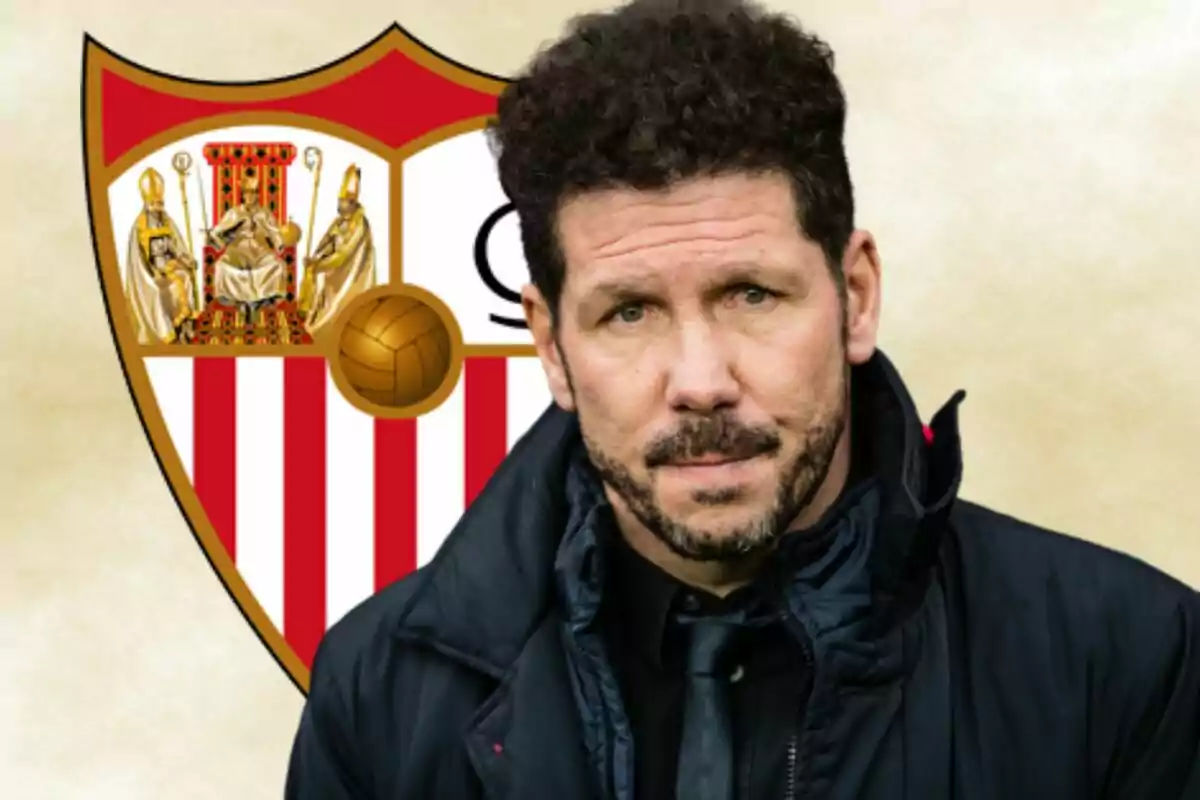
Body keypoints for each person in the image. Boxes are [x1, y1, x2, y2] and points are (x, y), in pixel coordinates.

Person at [284, 1, 1200, 798]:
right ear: (551, 347)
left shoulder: (1126, 661)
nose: (701, 381)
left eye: (750, 296)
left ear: (858, 295)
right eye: (630, 313)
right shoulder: (382, 689)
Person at [124, 167, 199, 344]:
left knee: (185, 278)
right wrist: (152, 275)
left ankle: (183, 324)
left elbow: (178, 246)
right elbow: (138, 262)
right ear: (147, 204)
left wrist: (188, 260)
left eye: (160, 203)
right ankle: (166, 332)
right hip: (152, 272)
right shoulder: (139, 227)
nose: (158, 208)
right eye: (155, 204)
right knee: (158, 292)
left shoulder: (167, 220)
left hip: (171, 266)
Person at [301, 163, 376, 333]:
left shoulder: (359, 225)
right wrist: (314, 258)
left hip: (348, 272)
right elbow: (327, 243)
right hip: (334, 266)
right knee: (313, 273)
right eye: (339, 200)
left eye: (342, 201)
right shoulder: (340, 221)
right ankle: (312, 315)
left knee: (320, 278)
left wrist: (319, 265)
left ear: (351, 202)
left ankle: (327, 325)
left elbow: (343, 255)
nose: (339, 204)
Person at [207, 169, 289, 319]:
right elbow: (218, 231)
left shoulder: (265, 213)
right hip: (237, 249)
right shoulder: (234, 213)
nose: (251, 196)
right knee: (221, 266)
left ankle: (258, 300)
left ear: (258, 194)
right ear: (243, 195)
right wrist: (214, 236)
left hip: (260, 249)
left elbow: (275, 233)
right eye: (248, 192)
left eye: (255, 192)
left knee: (278, 265)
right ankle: (241, 301)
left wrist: (280, 242)